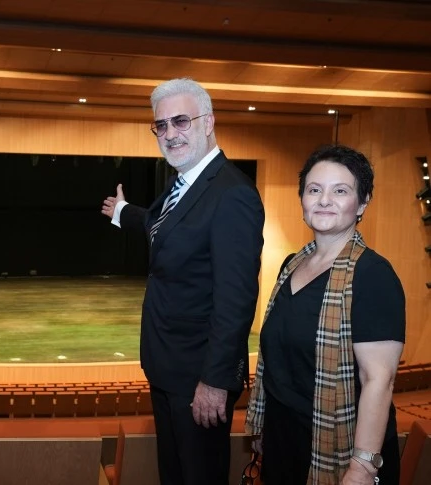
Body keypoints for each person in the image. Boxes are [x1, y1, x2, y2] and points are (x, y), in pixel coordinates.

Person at [101, 78, 265, 485]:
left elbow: (236, 298)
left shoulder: (232, 194)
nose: (170, 133)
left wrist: (214, 381)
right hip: (168, 369)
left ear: (208, 122)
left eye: (180, 121)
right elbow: (166, 225)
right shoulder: (184, 184)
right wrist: (124, 212)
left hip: (199, 379)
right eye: (161, 125)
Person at [245, 145, 405, 485]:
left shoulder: (372, 275)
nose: (324, 200)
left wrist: (362, 468)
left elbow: (378, 379)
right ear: (302, 199)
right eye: (314, 190)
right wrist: (265, 430)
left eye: (340, 191)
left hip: (341, 454)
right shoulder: (291, 265)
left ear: (362, 203)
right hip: (283, 444)